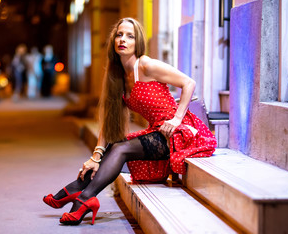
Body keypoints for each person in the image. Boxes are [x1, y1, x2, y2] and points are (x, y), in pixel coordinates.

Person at [43, 17, 217, 225]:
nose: (122, 39)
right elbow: (109, 120)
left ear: (138, 42)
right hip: (157, 133)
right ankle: (77, 190)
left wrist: (176, 118)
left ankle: (83, 197)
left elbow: (189, 82)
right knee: (116, 145)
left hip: (180, 133)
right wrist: (96, 156)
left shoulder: (146, 65)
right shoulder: (117, 76)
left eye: (130, 36)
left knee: (121, 149)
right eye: (119, 34)